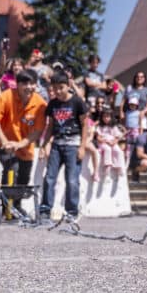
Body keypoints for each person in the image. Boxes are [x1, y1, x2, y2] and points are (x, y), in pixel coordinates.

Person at [0, 69, 47, 214]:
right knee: (12, 167)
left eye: (32, 84)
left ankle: (17, 207)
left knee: (24, 178)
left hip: (25, 147)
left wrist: (19, 145)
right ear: (17, 84)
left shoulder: (40, 103)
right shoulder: (6, 96)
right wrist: (5, 142)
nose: (29, 87)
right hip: (2, 142)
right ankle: (5, 207)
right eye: (25, 83)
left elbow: (38, 131)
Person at [39, 72, 88, 221]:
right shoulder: (53, 104)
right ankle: (45, 210)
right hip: (56, 145)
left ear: (68, 86)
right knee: (49, 178)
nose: (58, 91)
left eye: (61, 87)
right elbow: (50, 126)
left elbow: (85, 125)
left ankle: (71, 212)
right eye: (55, 88)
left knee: (72, 180)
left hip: (73, 146)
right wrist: (44, 144)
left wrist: (82, 147)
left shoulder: (77, 102)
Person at [95, 108, 125, 177]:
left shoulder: (114, 127)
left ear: (111, 117)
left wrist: (113, 142)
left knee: (118, 151)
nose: (106, 118)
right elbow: (98, 137)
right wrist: (104, 141)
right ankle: (107, 165)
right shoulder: (100, 127)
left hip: (112, 142)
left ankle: (118, 166)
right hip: (103, 143)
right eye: (104, 117)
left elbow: (117, 137)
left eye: (108, 117)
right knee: (107, 149)